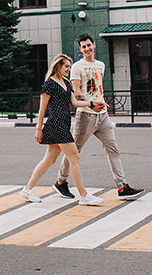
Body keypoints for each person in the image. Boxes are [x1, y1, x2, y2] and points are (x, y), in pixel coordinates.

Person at [53, 33, 144, 201]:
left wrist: (101, 102)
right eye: (83, 47)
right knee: (74, 152)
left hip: (103, 116)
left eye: (89, 45)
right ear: (80, 50)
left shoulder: (100, 65)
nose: (87, 48)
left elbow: (97, 88)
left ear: (94, 45)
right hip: (86, 116)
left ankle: (122, 188)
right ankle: (61, 181)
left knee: (113, 150)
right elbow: (77, 92)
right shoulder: (77, 67)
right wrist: (91, 103)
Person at [20, 54, 104, 206]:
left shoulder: (65, 82)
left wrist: (91, 103)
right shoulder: (49, 83)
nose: (69, 70)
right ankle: (84, 195)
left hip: (64, 123)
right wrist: (38, 128)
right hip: (56, 124)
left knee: (49, 160)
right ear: (58, 66)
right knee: (74, 158)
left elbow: (73, 102)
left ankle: (28, 189)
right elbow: (42, 108)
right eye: (66, 67)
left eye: (70, 67)